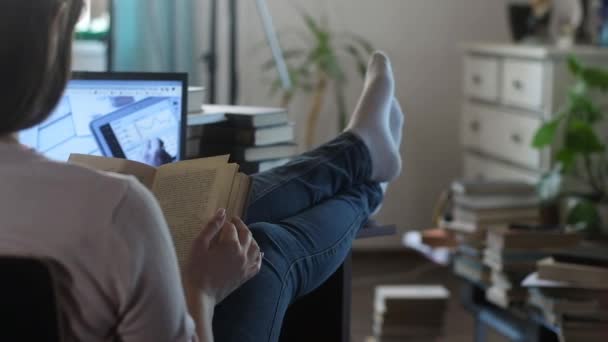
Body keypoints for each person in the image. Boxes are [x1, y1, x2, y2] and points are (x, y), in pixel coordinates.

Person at [0, 1, 404, 342]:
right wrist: (203, 291)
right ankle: (367, 177)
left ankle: (363, 156)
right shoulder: (116, 207)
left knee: (223, 215)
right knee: (266, 247)